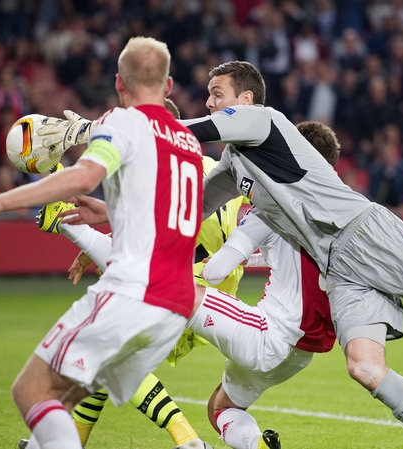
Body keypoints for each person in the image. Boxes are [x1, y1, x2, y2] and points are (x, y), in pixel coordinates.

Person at [46, 61, 403, 449]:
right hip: (338, 267)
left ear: (243, 98)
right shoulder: (239, 166)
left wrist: (100, 129)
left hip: (370, 235)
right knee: (364, 369)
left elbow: (183, 132)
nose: (208, 100)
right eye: (208, 95)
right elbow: (187, 207)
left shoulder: (261, 121)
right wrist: (111, 213)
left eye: (215, 93)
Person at [0, 37, 209, 449]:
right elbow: (169, 209)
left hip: (133, 291)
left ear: (120, 84)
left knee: (30, 390)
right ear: (169, 85)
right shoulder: (189, 145)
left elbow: (85, 176)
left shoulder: (122, 121)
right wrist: (109, 212)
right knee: (65, 397)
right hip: (175, 306)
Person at [49, 120, 341, 449]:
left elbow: (204, 258)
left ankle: (187, 441)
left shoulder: (254, 195)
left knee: (118, 336)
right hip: (299, 350)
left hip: (235, 312)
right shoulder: (342, 212)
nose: (210, 106)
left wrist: (93, 230)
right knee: (219, 406)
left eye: (216, 96)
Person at [19, 98, 240, 449]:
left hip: (174, 285)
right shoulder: (215, 165)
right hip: (213, 292)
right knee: (109, 356)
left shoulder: (158, 172)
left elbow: (150, 223)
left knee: (109, 352)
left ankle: (189, 441)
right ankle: (70, 439)